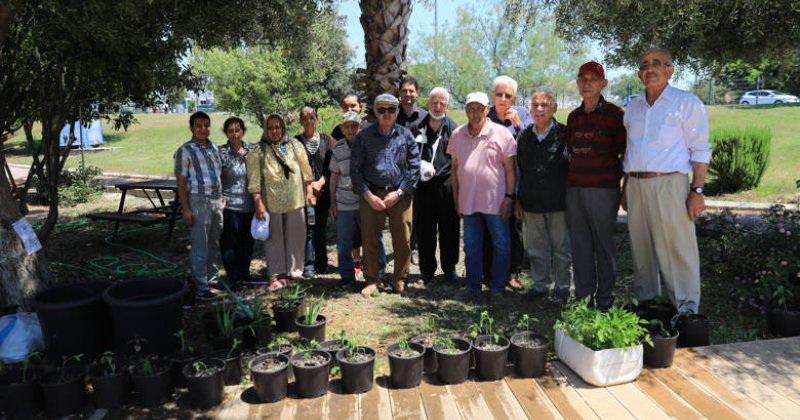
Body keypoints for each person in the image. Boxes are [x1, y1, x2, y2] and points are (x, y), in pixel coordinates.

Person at [623, 48, 711, 315]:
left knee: (676, 246)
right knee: (641, 248)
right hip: (636, 185)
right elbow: (630, 150)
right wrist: (625, 187)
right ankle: (647, 304)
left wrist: (697, 189)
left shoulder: (686, 103)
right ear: (639, 74)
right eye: (645, 64)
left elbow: (701, 149)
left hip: (670, 184)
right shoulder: (633, 107)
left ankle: (685, 309)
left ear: (670, 70)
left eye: (657, 64)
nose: (650, 69)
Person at [566, 61, 627, 309]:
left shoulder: (615, 116)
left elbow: (626, 154)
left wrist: (623, 186)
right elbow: (571, 152)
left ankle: (605, 299)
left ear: (603, 83)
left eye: (593, 79)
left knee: (603, 245)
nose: (587, 83)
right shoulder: (573, 117)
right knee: (580, 247)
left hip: (604, 191)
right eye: (582, 79)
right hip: (574, 190)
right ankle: (583, 299)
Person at [448, 92, 516, 304]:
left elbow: (510, 170)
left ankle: (497, 288)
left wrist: (509, 197)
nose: (475, 112)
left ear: (488, 110)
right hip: (468, 202)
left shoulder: (502, 133)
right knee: (471, 246)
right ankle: (473, 286)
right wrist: (456, 198)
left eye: (479, 108)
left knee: (501, 245)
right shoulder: (457, 134)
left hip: (495, 203)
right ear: (466, 110)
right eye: (471, 108)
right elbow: (455, 170)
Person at [350, 93, 420, 297]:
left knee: (403, 240)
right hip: (371, 193)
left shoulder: (406, 135)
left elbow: (414, 168)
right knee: (369, 239)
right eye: (382, 109)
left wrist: (398, 194)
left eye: (391, 109)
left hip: (400, 193)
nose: (387, 113)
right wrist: (368, 195)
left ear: (397, 112)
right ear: (375, 112)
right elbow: (355, 170)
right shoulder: (364, 137)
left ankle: (400, 280)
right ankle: (372, 280)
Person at [515, 87, 572, 304]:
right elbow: (519, 170)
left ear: (554, 108)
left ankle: (562, 289)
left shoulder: (566, 134)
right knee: (536, 249)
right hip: (531, 203)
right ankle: (540, 287)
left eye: (544, 105)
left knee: (561, 250)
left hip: (559, 203)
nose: (539, 109)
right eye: (535, 105)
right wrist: (518, 200)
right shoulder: (525, 136)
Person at [247, 113, 314, 289]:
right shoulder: (258, 151)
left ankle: (295, 271)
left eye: (277, 127)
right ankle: (276, 273)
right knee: (274, 237)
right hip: (271, 201)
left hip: (295, 198)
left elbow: (306, 170)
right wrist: (258, 203)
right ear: (265, 130)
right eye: (270, 127)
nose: (274, 131)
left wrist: (309, 191)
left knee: (296, 236)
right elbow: (253, 181)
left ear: (283, 128)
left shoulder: (294, 145)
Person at [329, 111, 387, 289]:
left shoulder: (368, 144)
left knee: (374, 238)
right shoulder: (338, 148)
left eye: (354, 125)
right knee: (344, 242)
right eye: (347, 126)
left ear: (360, 126)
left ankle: (379, 273)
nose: (350, 129)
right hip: (344, 203)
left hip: (365, 201)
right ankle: (347, 276)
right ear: (342, 128)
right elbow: (333, 176)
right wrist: (332, 202)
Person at [486, 75, 531, 290]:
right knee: (490, 228)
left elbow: (533, 142)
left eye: (508, 95)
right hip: (492, 182)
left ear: (514, 98)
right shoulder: (487, 115)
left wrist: (518, 125)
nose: (503, 98)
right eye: (499, 94)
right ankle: (489, 273)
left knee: (515, 228)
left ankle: (512, 273)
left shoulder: (522, 114)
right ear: (492, 96)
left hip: (518, 181)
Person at [411, 87, 460, 284]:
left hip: (446, 186)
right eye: (434, 103)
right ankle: (427, 271)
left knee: (450, 230)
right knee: (425, 231)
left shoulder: (454, 129)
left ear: (447, 106)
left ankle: (450, 269)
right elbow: (409, 156)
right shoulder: (417, 127)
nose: (438, 107)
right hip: (423, 188)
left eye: (442, 103)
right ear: (428, 103)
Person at [174, 111, 223, 301]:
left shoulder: (214, 149)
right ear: (192, 128)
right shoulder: (185, 151)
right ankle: (201, 286)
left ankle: (212, 279)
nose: (203, 129)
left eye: (206, 125)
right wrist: (186, 209)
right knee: (200, 245)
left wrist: (221, 196)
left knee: (214, 242)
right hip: (197, 201)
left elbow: (218, 175)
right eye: (198, 126)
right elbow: (181, 183)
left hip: (215, 201)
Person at [296, 107, 334, 277]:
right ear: (300, 121)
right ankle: (308, 265)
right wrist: (309, 186)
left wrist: (321, 182)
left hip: (323, 192)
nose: (308, 120)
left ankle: (322, 263)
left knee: (320, 228)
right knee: (307, 228)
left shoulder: (327, 139)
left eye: (311, 117)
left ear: (317, 119)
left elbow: (332, 166)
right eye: (304, 118)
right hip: (304, 193)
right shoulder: (295, 142)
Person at [219, 117, 255, 290]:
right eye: (231, 130)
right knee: (230, 244)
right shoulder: (221, 153)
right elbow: (215, 178)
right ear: (226, 133)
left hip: (249, 205)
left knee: (247, 243)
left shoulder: (251, 151)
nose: (235, 133)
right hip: (230, 206)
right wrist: (219, 196)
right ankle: (234, 277)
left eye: (238, 130)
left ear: (242, 131)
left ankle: (244, 274)